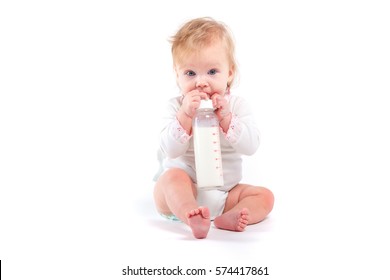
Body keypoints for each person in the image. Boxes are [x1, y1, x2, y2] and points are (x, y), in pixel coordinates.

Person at [153, 17, 274, 239]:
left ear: (229, 72)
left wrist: (227, 118)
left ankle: (230, 216)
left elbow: (251, 146)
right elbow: (170, 150)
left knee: (265, 197)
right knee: (170, 180)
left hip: (226, 193)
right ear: (177, 75)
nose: (201, 82)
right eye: (190, 73)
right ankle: (191, 214)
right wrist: (185, 116)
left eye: (212, 72)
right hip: (185, 189)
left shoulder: (237, 106)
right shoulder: (175, 107)